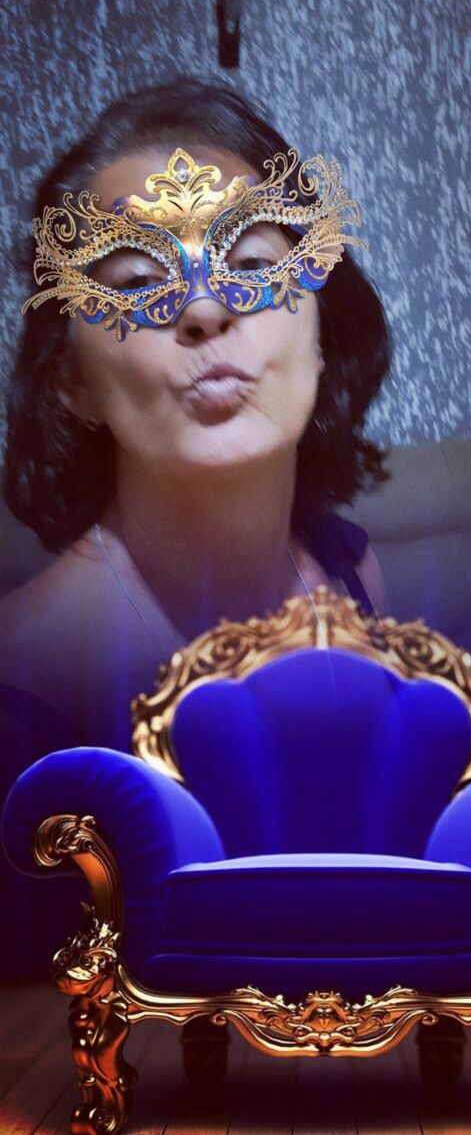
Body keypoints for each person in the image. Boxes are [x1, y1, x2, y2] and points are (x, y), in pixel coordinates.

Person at [0, 78, 391, 760]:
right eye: (139, 281)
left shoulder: (353, 573)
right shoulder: (26, 682)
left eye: (252, 263)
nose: (206, 309)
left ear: (323, 336)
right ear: (70, 378)